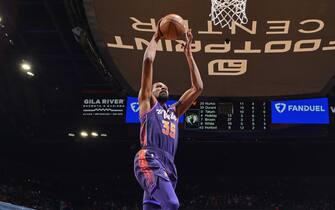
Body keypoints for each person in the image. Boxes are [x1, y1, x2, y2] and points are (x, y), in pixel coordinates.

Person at [134, 21, 203, 210]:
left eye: (165, 86)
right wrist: (156, 37)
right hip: (149, 158)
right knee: (172, 204)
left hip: (169, 166)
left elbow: (198, 88)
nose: (163, 86)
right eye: (158, 86)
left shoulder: (174, 111)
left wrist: (189, 55)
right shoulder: (148, 103)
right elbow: (148, 61)